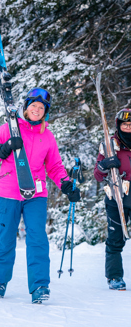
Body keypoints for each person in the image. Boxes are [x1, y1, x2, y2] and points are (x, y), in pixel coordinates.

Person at [0, 87, 81, 303]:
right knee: (7, 238)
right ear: (26, 107)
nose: (37, 110)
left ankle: (40, 286)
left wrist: (66, 185)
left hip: (36, 194)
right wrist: (6, 147)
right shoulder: (9, 129)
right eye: (33, 106)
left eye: (41, 107)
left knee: (38, 238)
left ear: (45, 112)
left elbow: (54, 166)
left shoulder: (46, 136)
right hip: (8, 192)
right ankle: (0, 281)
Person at [94, 108, 131, 291]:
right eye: (125, 125)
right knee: (115, 239)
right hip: (117, 197)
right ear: (119, 125)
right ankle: (115, 277)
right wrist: (104, 165)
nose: (128, 128)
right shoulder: (110, 146)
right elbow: (98, 175)